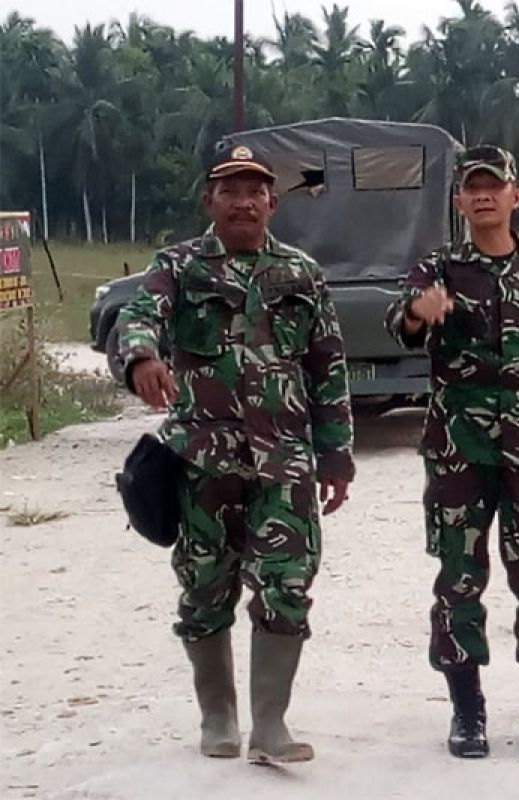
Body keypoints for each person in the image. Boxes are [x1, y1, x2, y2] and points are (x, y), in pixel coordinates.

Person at [116, 141, 355, 765]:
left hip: (286, 463)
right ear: (210, 200)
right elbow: (140, 314)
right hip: (205, 463)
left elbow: (327, 368)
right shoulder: (180, 265)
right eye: (230, 190)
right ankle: (218, 715)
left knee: (287, 586)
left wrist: (337, 455)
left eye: (255, 191)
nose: (244, 201)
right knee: (204, 589)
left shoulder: (303, 274)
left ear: (272, 202)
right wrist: (141, 355)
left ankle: (270, 724)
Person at [384, 145, 519, 760]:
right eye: (471, 187)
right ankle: (467, 712)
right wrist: (421, 314)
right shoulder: (438, 269)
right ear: (458, 201)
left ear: (514, 196)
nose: (482, 196)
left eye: (492, 186)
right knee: (458, 581)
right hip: (458, 456)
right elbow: (403, 319)